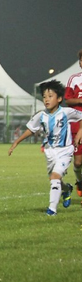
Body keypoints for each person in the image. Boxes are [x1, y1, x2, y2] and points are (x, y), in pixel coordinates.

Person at [9, 80, 82, 215]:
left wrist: (79, 134)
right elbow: (31, 129)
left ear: (59, 98)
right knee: (56, 179)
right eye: (44, 96)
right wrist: (16, 142)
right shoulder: (41, 115)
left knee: (54, 177)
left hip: (65, 151)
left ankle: (52, 209)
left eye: (50, 96)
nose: (46, 99)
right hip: (50, 151)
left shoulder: (66, 112)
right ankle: (66, 189)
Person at [64, 49, 82, 198]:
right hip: (76, 125)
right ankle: (79, 180)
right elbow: (67, 100)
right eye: (81, 60)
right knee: (77, 163)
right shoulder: (74, 79)